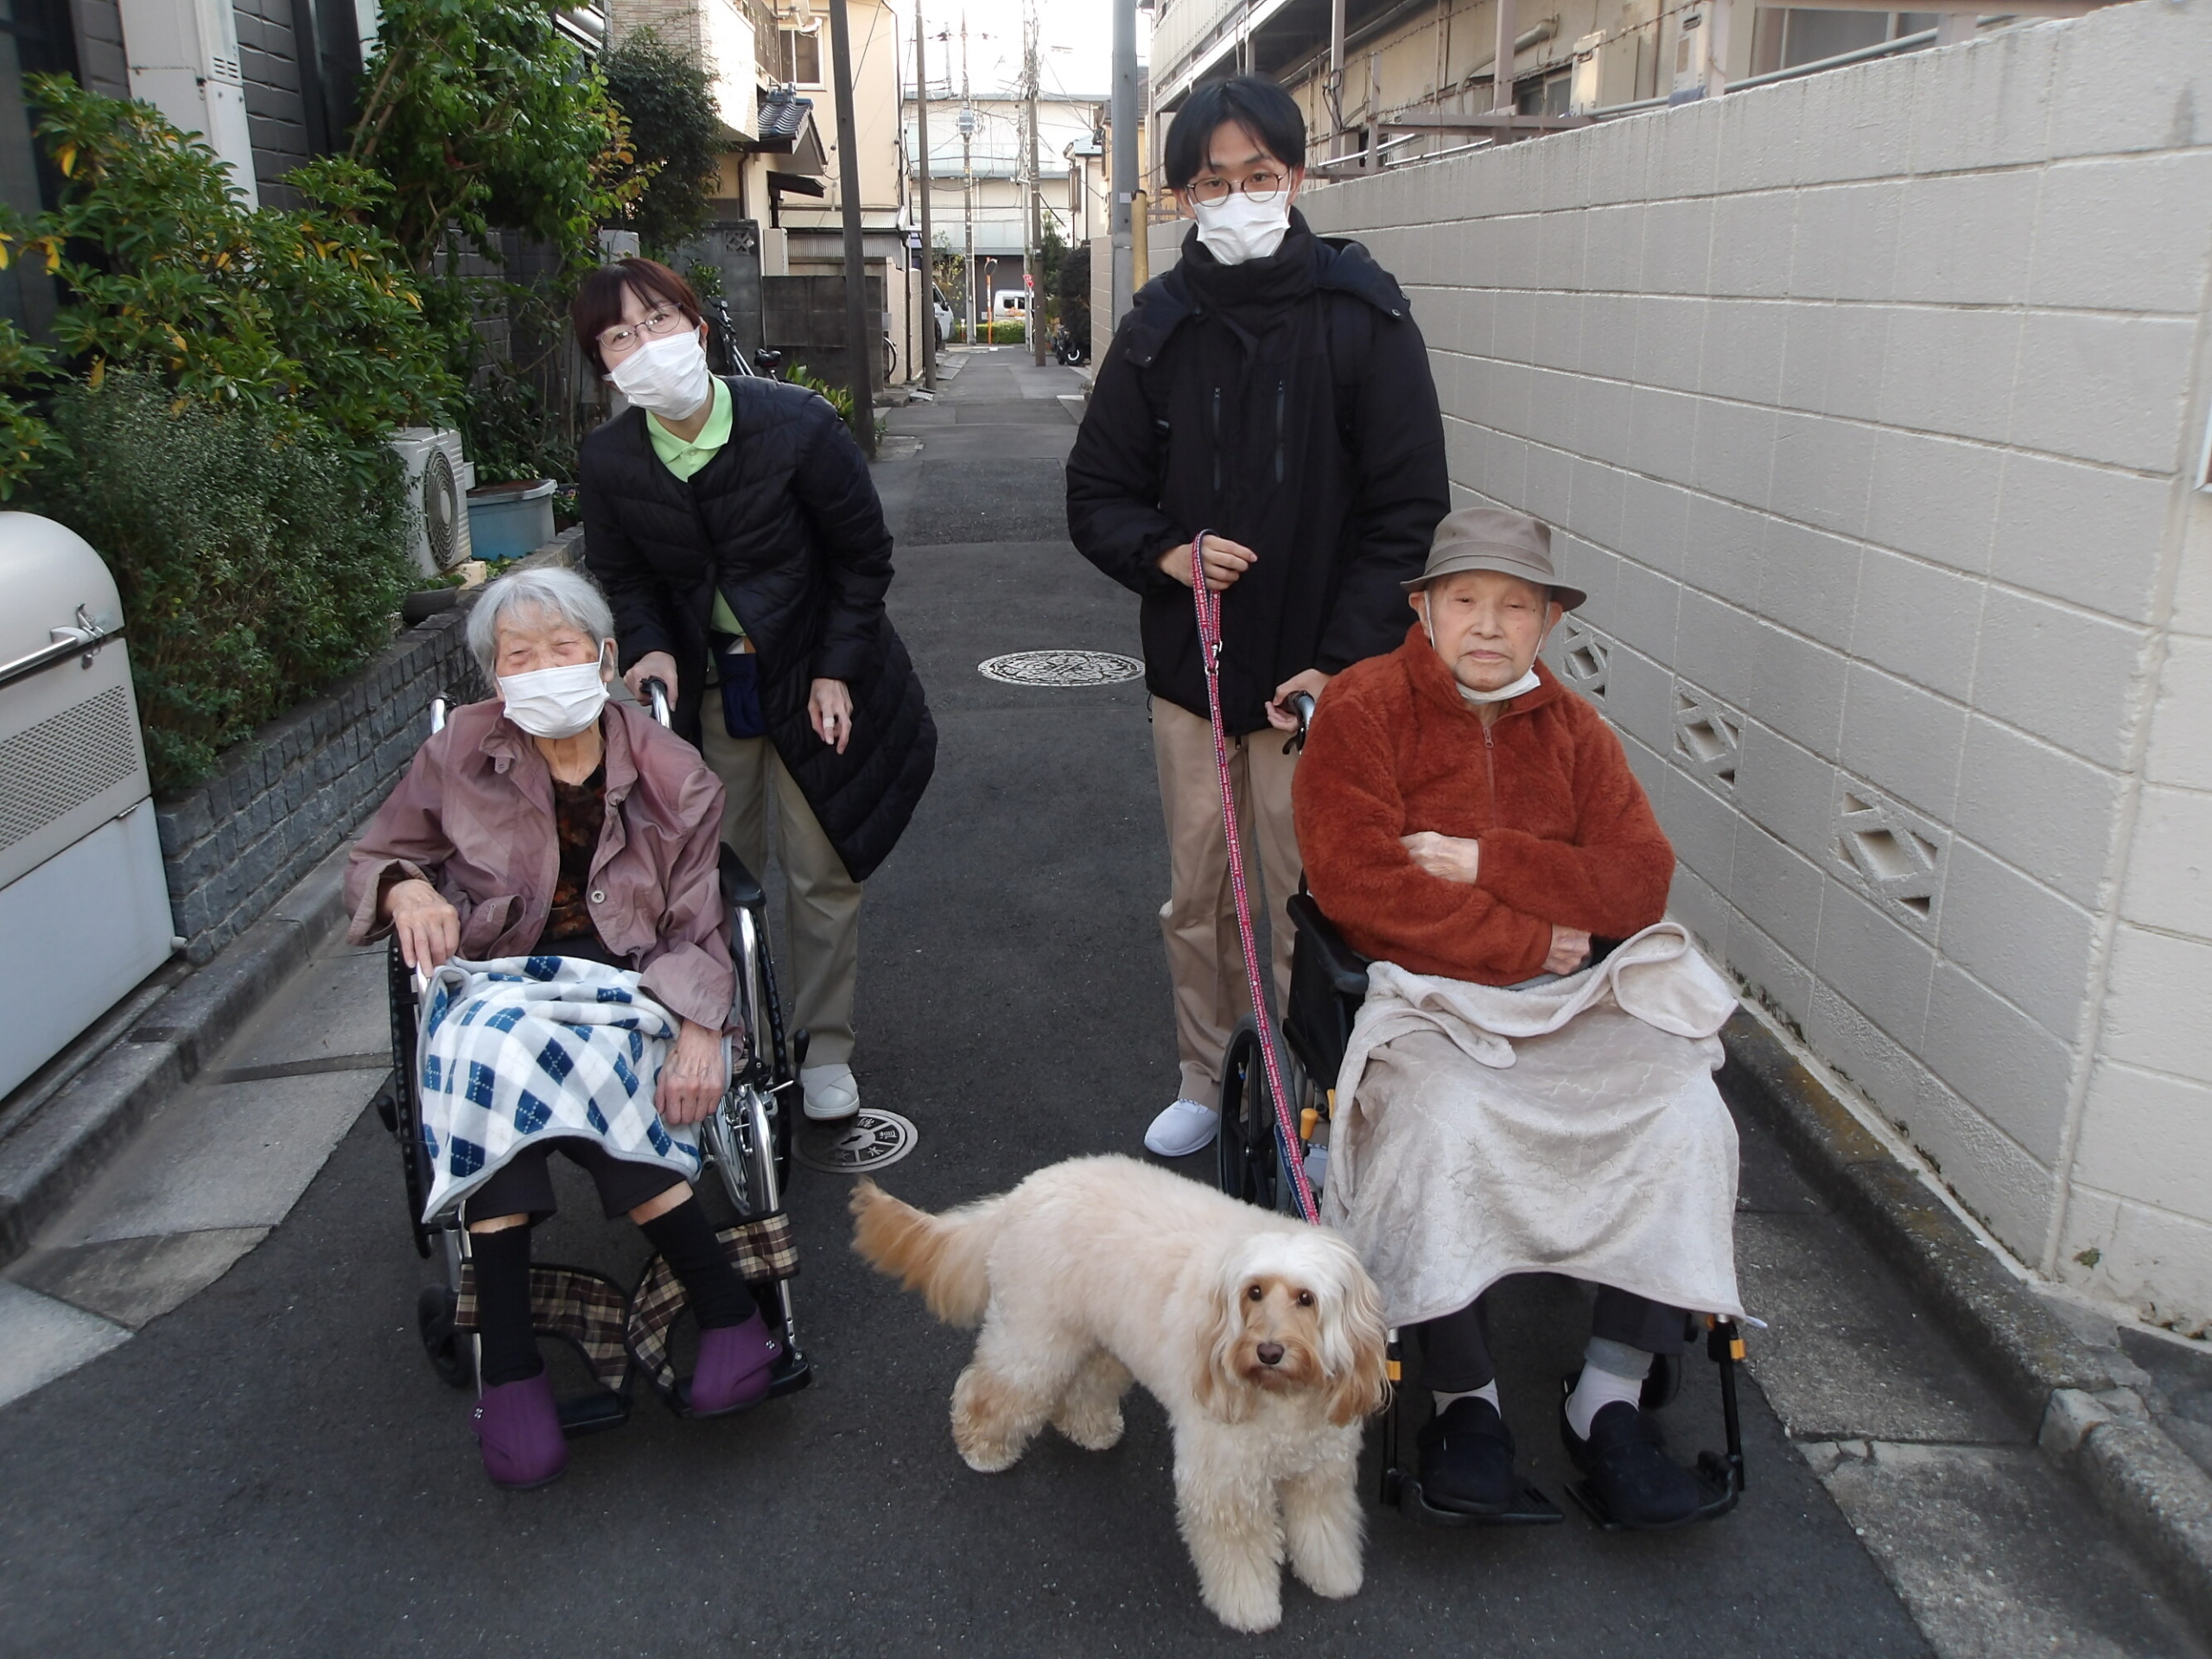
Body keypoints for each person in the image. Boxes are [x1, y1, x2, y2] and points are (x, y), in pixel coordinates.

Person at [1294, 507, 1745, 1529]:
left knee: (1683, 1110)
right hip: (1426, 995)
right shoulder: (1364, 711)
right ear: (1424, 609)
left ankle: (1611, 1396)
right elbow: (1359, 885)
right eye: (1466, 602)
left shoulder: (1575, 731)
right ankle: (1465, 1402)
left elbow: (1639, 882)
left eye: (1515, 607)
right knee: (1442, 1123)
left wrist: (1486, 860)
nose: (1488, 627)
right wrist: (1529, 939)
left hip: (1573, 1001)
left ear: (1546, 624)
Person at [1066, 75, 1450, 1159]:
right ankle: (1204, 1070)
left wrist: (1342, 662)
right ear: (1183, 196)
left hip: (1320, 682)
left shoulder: (1358, 313)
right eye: (1211, 184)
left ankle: (1324, 1098)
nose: (1236, 200)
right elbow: (1094, 494)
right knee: (1198, 886)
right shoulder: (1158, 326)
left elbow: (1409, 508)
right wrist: (1166, 554)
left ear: (1297, 177)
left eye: (1258, 178)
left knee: (1312, 895)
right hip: (1195, 671)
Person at [346, 567, 779, 1490]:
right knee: (492, 1046)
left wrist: (704, 1029)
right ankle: (710, 1316)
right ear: (495, 679)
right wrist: (407, 884)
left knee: (579, 1057)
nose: (542, 668)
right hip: (500, 977)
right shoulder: (459, 750)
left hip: (630, 981)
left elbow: (702, 924)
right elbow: (383, 848)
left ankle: (512, 1371)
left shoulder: (674, 774)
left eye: (563, 648)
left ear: (606, 657)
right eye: (518, 656)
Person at [575, 257, 935, 1126]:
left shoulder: (798, 424)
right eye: (618, 335)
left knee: (821, 870)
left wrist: (835, 670)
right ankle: (722, 1032)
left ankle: (825, 1046)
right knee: (704, 875)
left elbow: (861, 557)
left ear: (697, 329)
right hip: (709, 693)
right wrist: (651, 649)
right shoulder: (609, 458)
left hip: (819, 680)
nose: (643, 344)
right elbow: (623, 576)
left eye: (658, 320)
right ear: (606, 367)